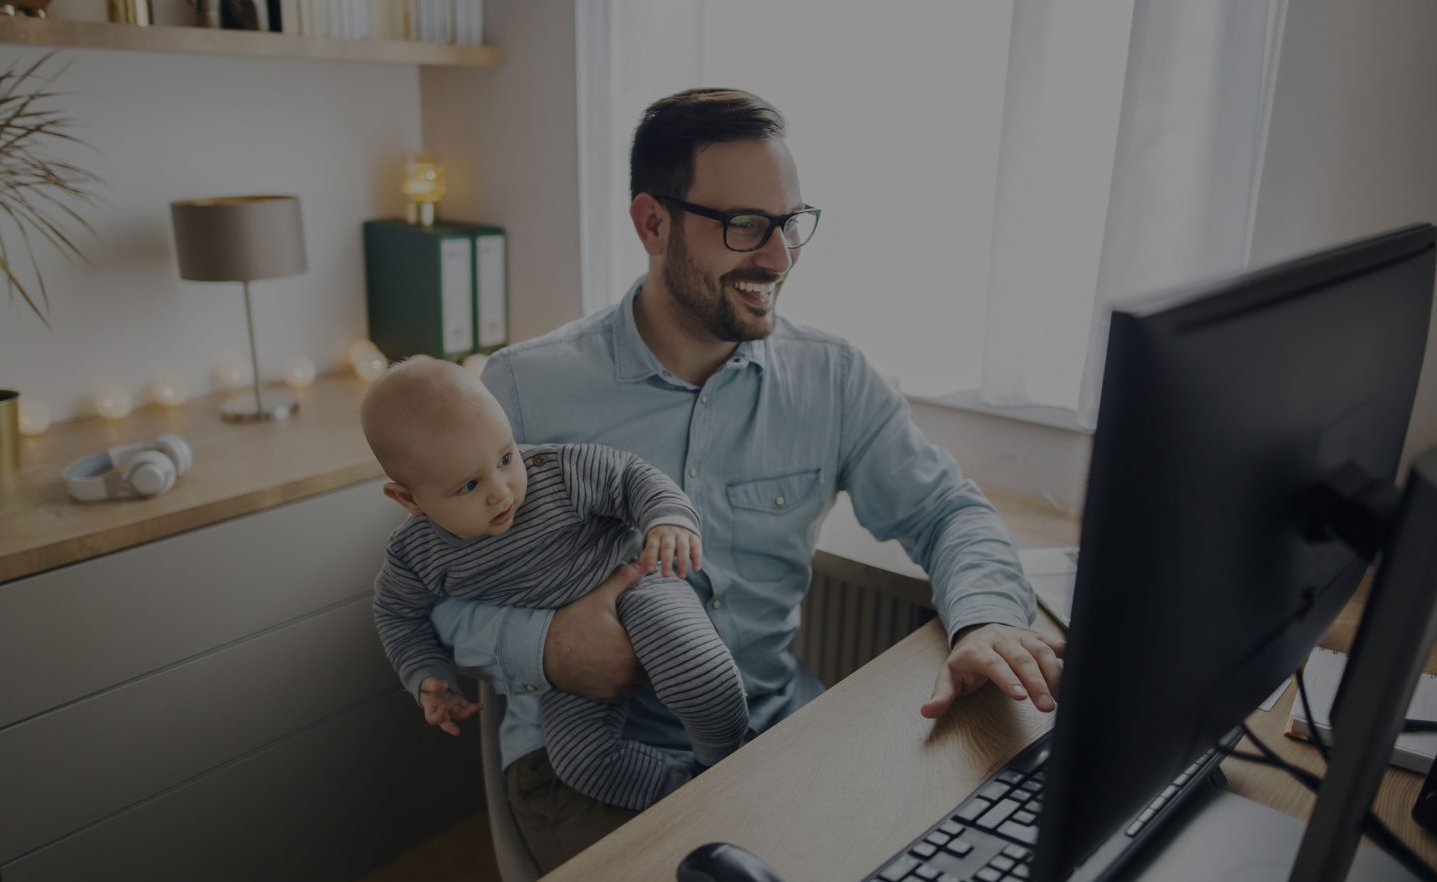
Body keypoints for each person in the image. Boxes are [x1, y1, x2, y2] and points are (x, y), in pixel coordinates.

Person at [428, 88, 1065, 871]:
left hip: (775, 733)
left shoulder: (832, 378)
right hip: (588, 763)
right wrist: (548, 646)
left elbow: (947, 512)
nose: (778, 256)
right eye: (744, 226)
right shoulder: (526, 390)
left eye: (790, 223)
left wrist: (985, 621)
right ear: (652, 224)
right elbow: (439, 594)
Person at [362, 356, 749, 812]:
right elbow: (396, 615)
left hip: (635, 584)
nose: (502, 490)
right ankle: (684, 795)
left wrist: (666, 520)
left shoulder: (557, 473)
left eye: (505, 457)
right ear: (408, 499)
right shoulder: (416, 555)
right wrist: (426, 674)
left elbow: (630, 476)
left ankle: (727, 763)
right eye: (469, 485)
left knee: (701, 675)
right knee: (580, 760)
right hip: (569, 659)